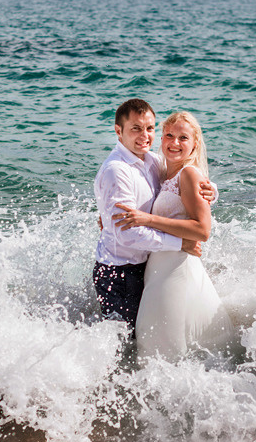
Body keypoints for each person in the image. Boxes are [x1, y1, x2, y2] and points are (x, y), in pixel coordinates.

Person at [113, 111, 238, 362]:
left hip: (175, 270)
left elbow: (202, 230)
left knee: (164, 348)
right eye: (169, 135)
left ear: (195, 143)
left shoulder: (189, 174)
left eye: (183, 137)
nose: (175, 142)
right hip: (159, 269)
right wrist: (109, 215)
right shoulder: (162, 171)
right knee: (157, 345)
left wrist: (148, 219)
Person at [93, 99, 214, 338]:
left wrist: (210, 191)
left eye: (149, 128)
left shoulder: (149, 161)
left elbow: (181, 178)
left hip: (145, 267)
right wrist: (181, 244)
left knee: (149, 338)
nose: (145, 135)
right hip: (119, 272)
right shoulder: (117, 170)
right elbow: (127, 234)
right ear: (119, 131)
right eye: (136, 128)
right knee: (121, 346)